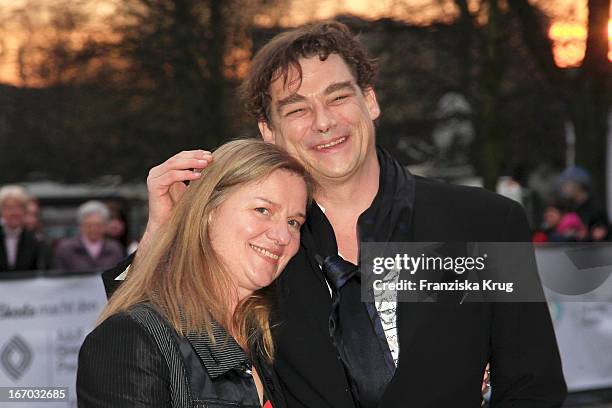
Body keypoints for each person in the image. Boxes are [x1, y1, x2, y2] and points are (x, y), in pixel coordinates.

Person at [104, 21, 566, 407]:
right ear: (269, 132)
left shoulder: (484, 223)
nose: (323, 121)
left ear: (370, 101)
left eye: (338, 97)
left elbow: (533, 386)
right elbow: (145, 343)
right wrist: (164, 231)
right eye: (297, 108)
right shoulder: (261, 244)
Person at [78, 140, 312, 407]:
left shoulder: (268, 335)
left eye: (294, 222)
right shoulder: (132, 342)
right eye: (263, 210)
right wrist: (161, 230)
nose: (282, 236)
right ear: (209, 210)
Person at [53, 200, 125, 271]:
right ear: (81, 226)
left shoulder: (115, 248)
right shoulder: (65, 248)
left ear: (105, 226)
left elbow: (122, 275)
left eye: (98, 225)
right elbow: (59, 276)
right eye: (89, 225)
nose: (93, 229)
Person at [0, 185, 49, 272]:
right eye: (10, 208)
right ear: (1, 210)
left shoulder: (35, 240)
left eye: (19, 207)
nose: (15, 212)